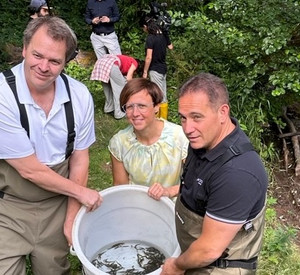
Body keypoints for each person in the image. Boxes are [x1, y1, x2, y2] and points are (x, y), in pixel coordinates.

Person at [0, 16, 102, 274]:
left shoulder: (79, 96)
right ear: (24, 49)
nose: (43, 66)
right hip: (8, 206)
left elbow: (79, 158)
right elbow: (29, 170)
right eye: (37, 55)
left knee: (54, 270)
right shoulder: (3, 95)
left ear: (66, 63)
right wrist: (82, 194)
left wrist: (70, 219)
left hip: (58, 204)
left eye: (55, 61)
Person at [161, 73, 269, 275]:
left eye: (196, 117)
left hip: (217, 267)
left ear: (222, 112)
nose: (187, 128)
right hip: (194, 254)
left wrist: (176, 266)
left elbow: (209, 249)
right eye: (183, 118)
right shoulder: (204, 139)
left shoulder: (237, 173)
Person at [108, 78, 189, 200]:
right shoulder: (119, 143)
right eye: (129, 107)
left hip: (172, 211)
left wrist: (168, 191)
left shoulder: (180, 137)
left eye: (142, 106)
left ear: (156, 107)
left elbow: (193, 183)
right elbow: (121, 187)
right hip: (137, 209)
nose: (135, 113)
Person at [91, 54, 143, 119]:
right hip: (111, 64)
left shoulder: (127, 60)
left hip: (101, 62)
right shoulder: (135, 63)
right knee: (120, 88)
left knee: (108, 87)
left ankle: (108, 109)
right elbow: (128, 78)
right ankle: (119, 113)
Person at [142, 17, 173, 120]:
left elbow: (148, 57)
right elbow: (171, 47)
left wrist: (145, 71)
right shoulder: (163, 36)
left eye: (144, 28)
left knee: (158, 96)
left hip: (155, 69)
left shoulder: (150, 38)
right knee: (163, 95)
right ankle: (162, 119)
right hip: (163, 68)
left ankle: (160, 121)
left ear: (146, 27)